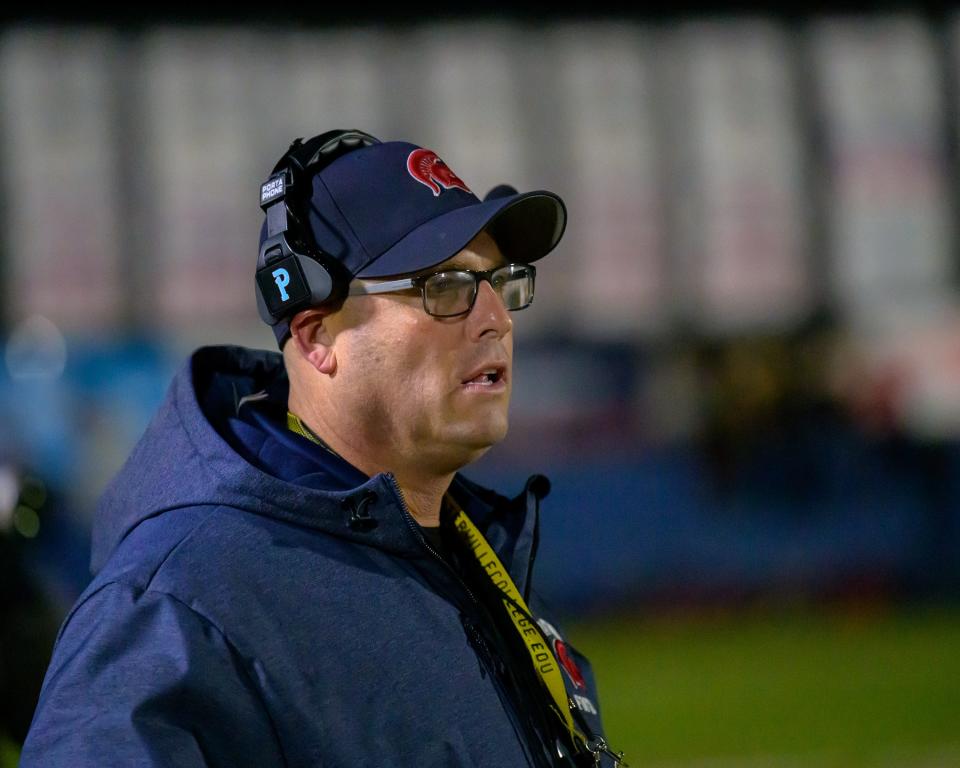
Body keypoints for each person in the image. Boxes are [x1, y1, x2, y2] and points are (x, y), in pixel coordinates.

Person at [21, 130, 623, 767]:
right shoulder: (180, 601)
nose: (496, 317)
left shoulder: (460, 545)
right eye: (445, 285)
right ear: (315, 338)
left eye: (499, 282)